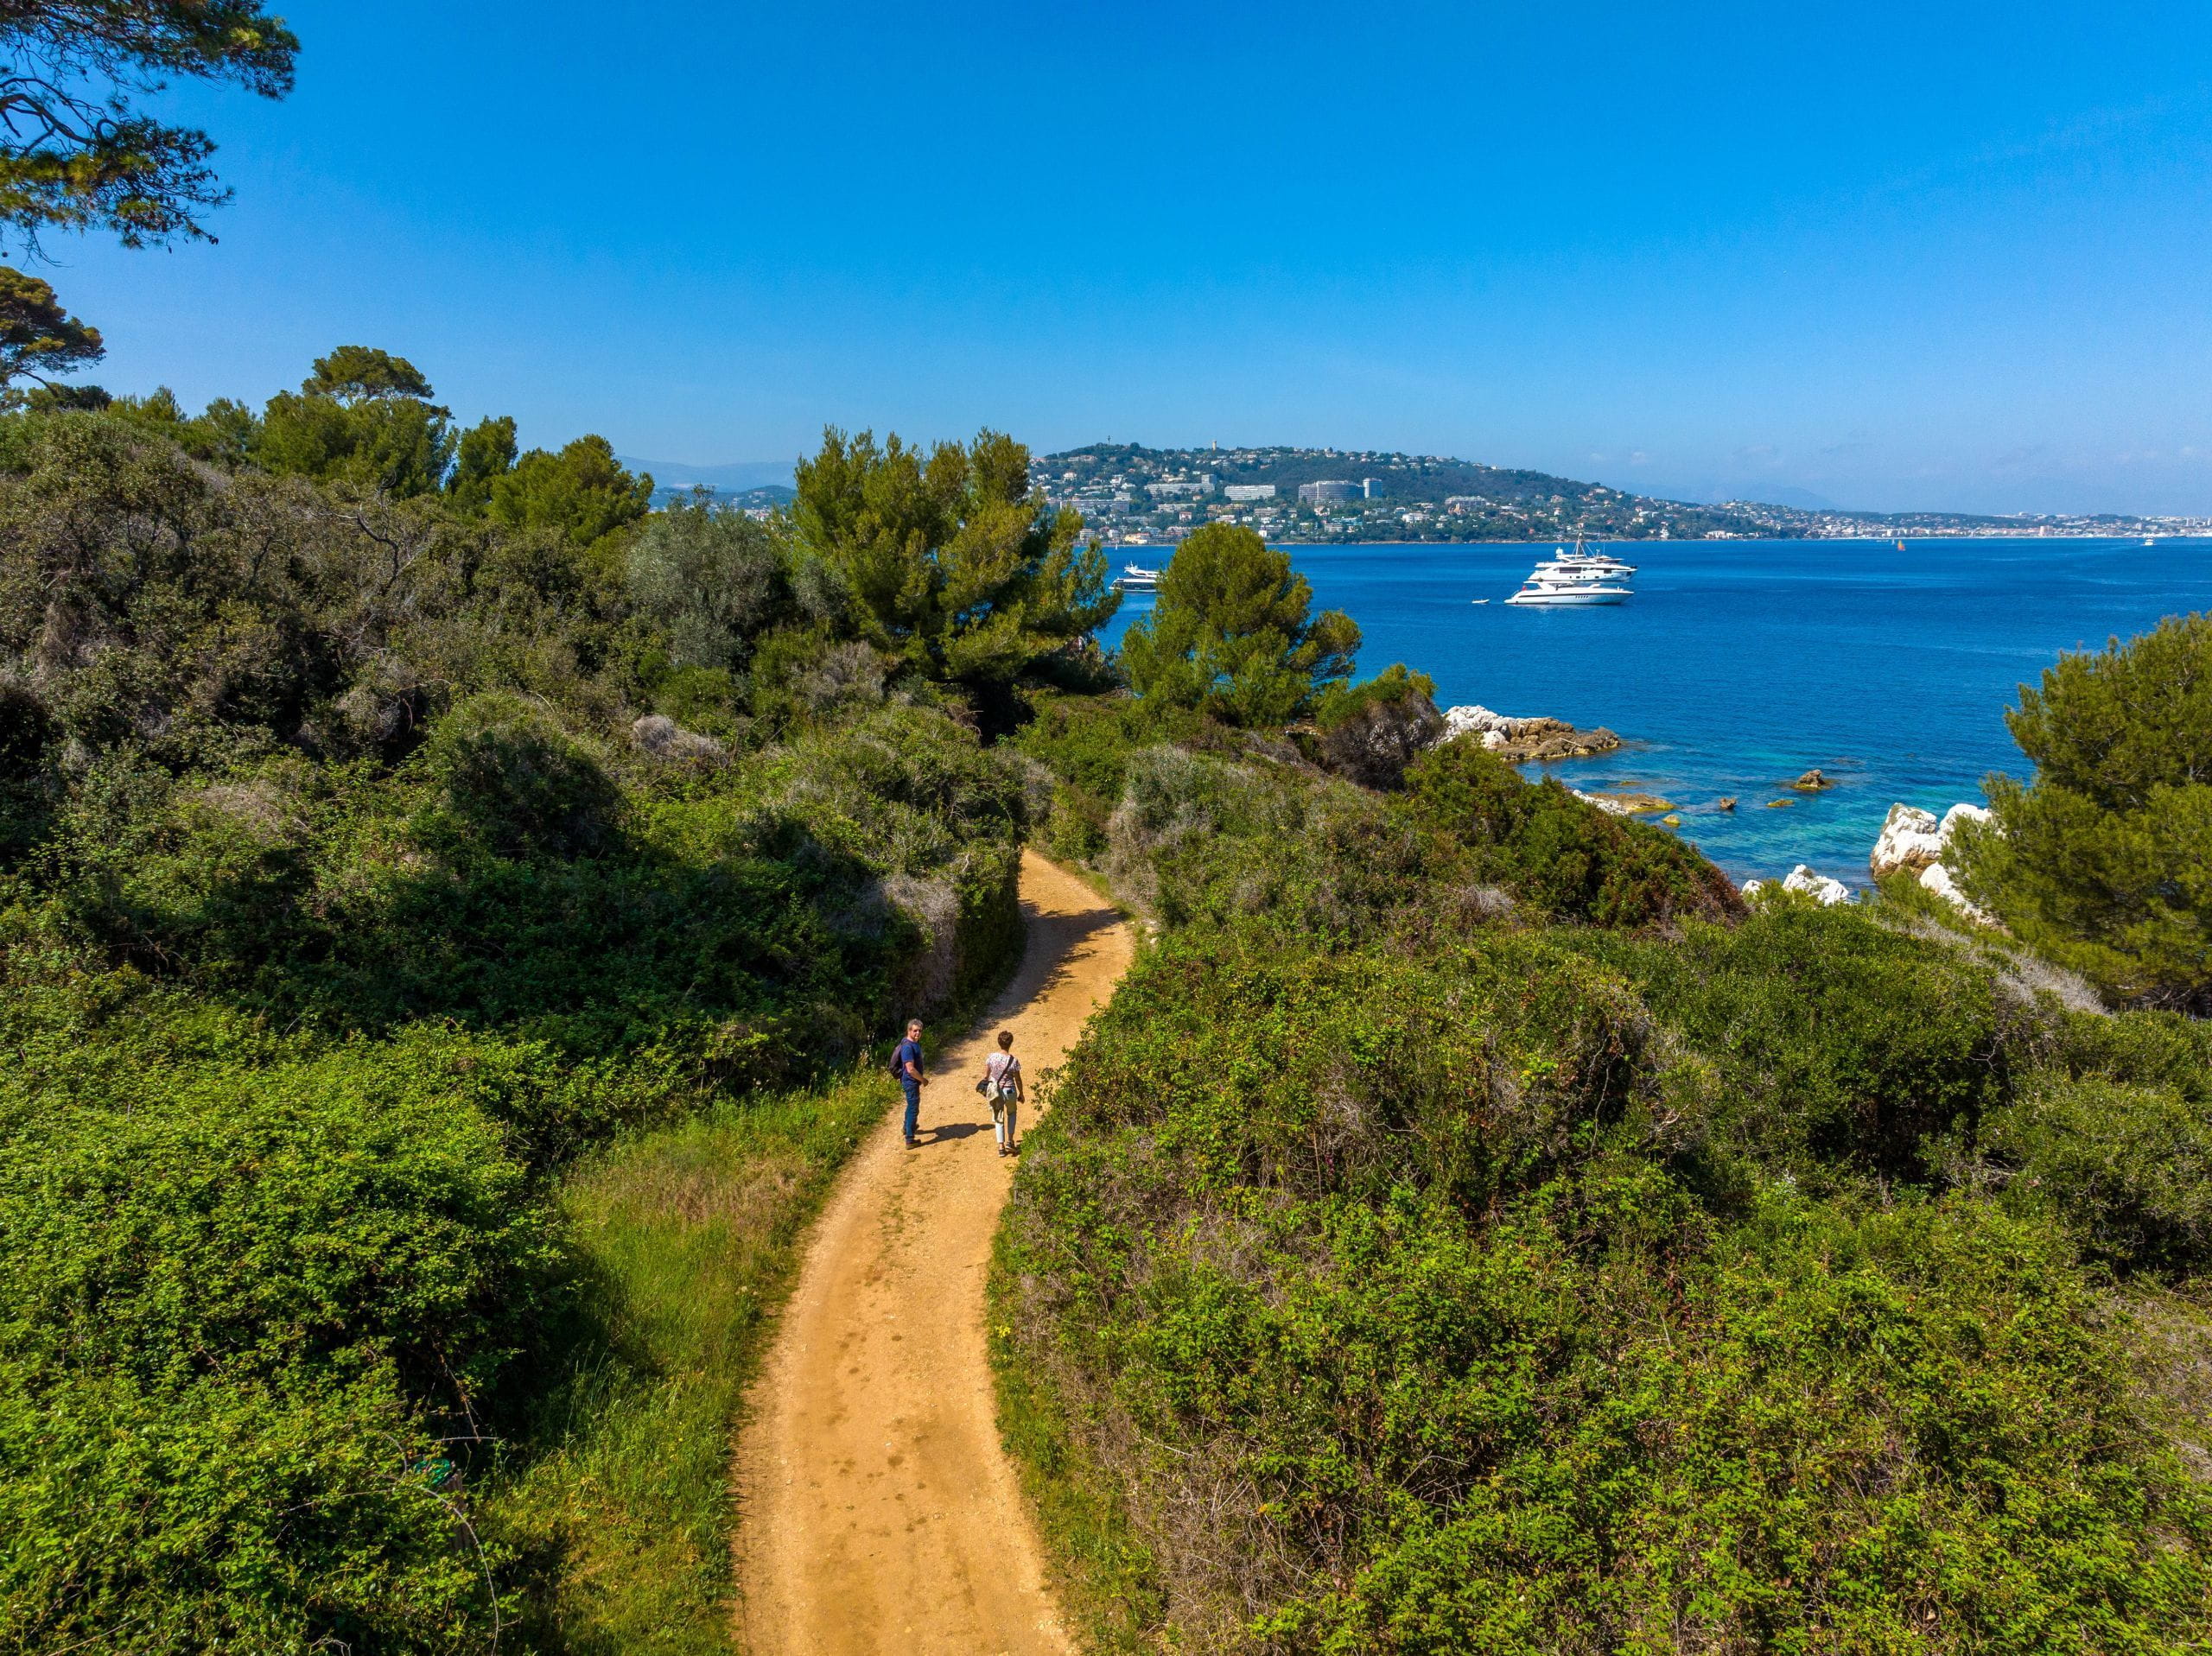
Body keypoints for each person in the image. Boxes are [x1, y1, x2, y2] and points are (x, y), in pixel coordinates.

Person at [981, 1029, 1024, 1157]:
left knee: (998, 1117)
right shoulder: (1014, 1061)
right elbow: (1018, 1079)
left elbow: (986, 1075)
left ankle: (1001, 1147)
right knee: (1012, 1113)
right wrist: (1021, 1093)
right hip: (1010, 1090)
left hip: (997, 1091)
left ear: (999, 1042)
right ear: (1011, 1043)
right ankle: (1010, 1141)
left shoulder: (991, 1057)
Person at [894, 1018, 926, 1148]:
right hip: (911, 1082)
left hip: (910, 1082)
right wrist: (923, 1080)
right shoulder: (908, 1047)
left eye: (919, 1031)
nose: (918, 1033)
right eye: (915, 1031)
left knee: (911, 1105)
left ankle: (906, 1127)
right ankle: (910, 1139)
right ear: (909, 1031)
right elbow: (910, 1069)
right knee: (913, 1108)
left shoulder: (912, 1042)